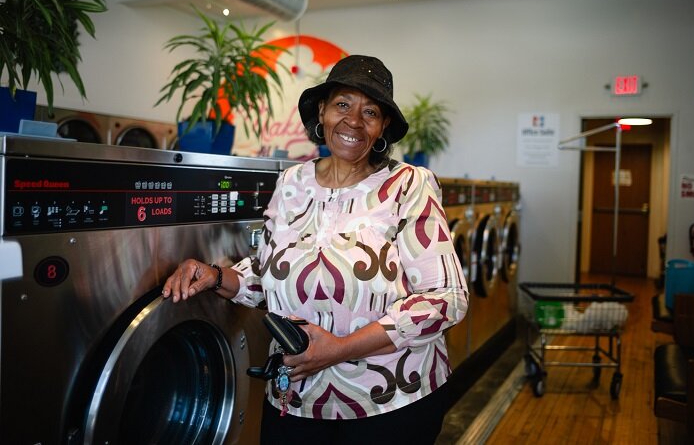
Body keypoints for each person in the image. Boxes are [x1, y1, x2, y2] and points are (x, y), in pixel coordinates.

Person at [162, 55, 469, 444]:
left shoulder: (409, 184)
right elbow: (270, 277)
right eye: (343, 104)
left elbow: (446, 299)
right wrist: (218, 276)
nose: (354, 121)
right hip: (296, 399)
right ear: (321, 111)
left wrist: (339, 349)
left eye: (370, 111)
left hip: (390, 401)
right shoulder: (292, 181)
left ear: (383, 126)